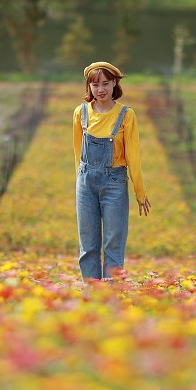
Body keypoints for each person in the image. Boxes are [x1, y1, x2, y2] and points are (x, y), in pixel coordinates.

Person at [73, 61, 151, 281]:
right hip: (86, 183)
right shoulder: (81, 113)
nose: (101, 89)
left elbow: (133, 155)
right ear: (88, 87)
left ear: (114, 83)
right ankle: (91, 292)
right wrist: (80, 181)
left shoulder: (126, 115)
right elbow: (78, 154)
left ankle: (111, 296)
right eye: (95, 84)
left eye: (105, 83)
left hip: (114, 183)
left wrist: (140, 191)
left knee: (113, 245)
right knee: (88, 245)